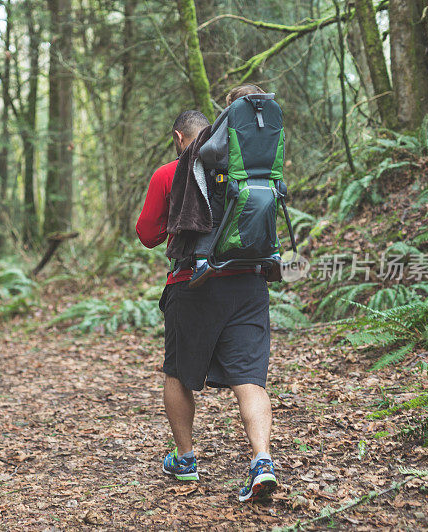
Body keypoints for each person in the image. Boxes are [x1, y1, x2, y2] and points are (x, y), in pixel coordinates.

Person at [136, 85, 278, 503]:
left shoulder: (171, 171)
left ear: (179, 138)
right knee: (250, 379)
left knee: (178, 373)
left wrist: (177, 226)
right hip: (250, 281)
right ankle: (262, 461)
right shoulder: (255, 170)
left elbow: (146, 234)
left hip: (193, 285)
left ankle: (185, 460)